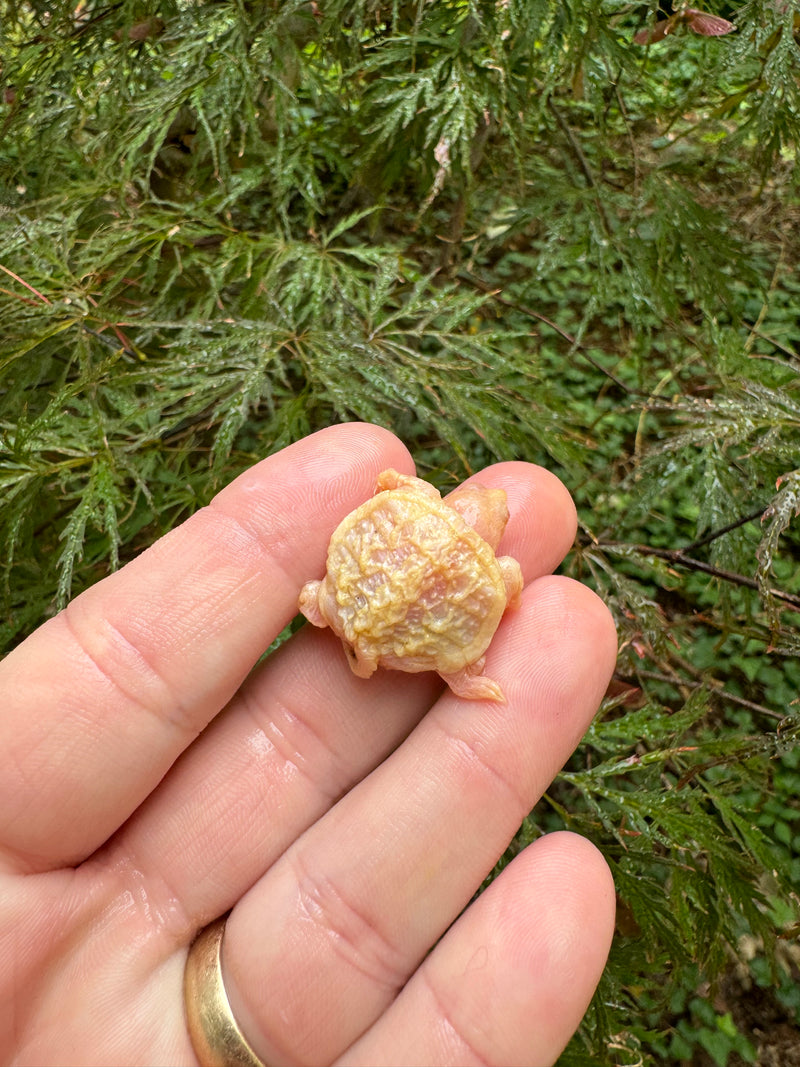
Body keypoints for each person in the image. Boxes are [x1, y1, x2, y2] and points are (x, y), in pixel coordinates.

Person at [0, 422, 618, 1067]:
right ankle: (417, 652)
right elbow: (504, 584)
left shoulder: (405, 500)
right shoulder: (494, 572)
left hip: (347, 599)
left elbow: (390, 485)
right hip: (402, 634)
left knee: (329, 602)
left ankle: (337, 609)